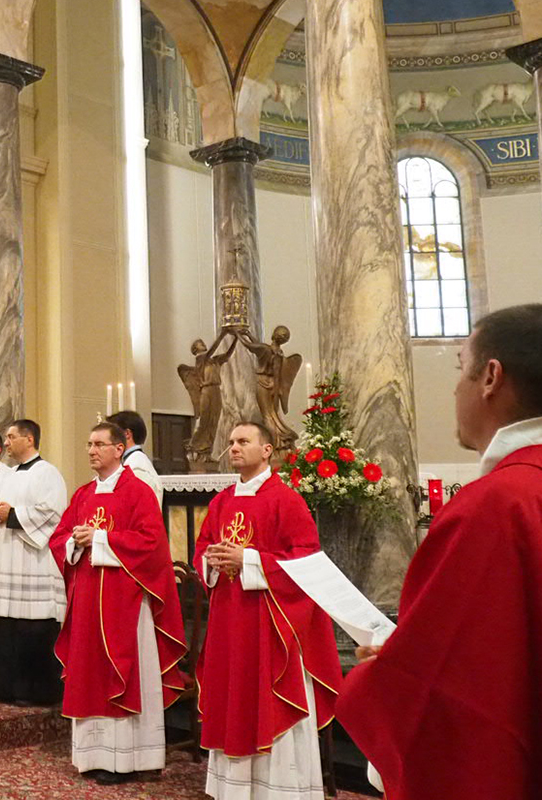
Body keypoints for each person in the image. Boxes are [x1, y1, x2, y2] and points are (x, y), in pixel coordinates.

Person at [337, 304, 542, 800]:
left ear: (490, 377)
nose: (454, 390)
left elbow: (449, 702)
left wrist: (383, 673)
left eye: (459, 367)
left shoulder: (496, 505)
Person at [194, 421, 342, 800]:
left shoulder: (286, 500)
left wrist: (249, 560)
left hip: (271, 624)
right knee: (234, 699)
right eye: (231, 442)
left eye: (243, 441)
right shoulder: (221, 501)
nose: (234, 447)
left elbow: (306, 561)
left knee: (267, 701)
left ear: (267, 450)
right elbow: (203, 546)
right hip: (230, 619)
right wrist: (212, 560)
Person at [50, 422, 187, 785]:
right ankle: (94, 756)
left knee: (124, 672)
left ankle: (129, 758)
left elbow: (151, 543)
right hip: (86, 600)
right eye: (89, 444)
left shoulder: (137, 491)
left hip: (124, 601)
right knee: (89, 673)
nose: (91, 450)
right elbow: (59, 537)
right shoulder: (83, 494)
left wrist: (100, 539)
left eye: (99, 444)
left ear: (118, 449)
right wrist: (75, 542)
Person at [0, 419, 68, 706]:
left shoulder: (48, 474)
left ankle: (36, 691)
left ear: (29, 439)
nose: (6, 443)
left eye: (11, 437)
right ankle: (6, 688)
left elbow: (53, 513)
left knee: (33, 625)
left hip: (35, 561)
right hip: (9, 558)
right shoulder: (7, 475)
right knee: (9, 625)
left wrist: (12, 515)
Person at [107, 410, 164, 507]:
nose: (108, 440)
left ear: (127, 434)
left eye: (111, 434)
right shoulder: (130, 462)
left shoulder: (137, 468)